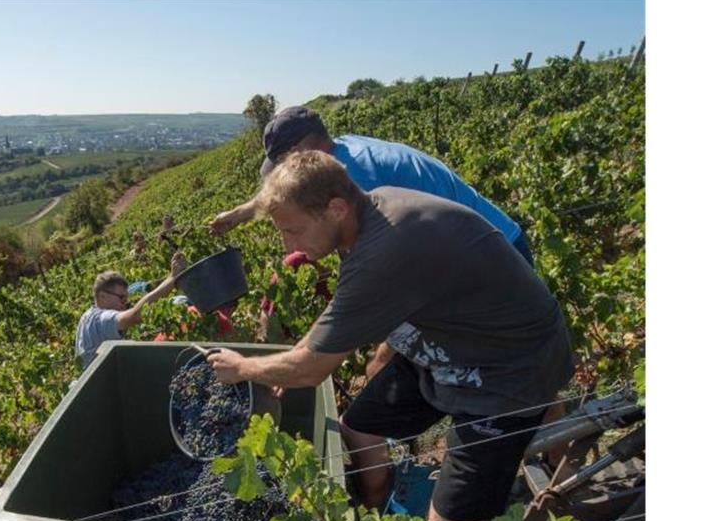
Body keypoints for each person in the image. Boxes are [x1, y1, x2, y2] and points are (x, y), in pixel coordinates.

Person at [206, 151, 573, 521]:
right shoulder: (368, 210)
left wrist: (246, 368)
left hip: (505, 371)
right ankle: (373, 512)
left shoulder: (387, 250)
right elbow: (356, 323)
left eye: (293, 230)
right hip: (444, 344)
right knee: (359, 427)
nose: (289, 246)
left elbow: (310, 369)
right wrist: (348, 364)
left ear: (335, 208)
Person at [218, 105, 536, 374]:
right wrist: (242, 212)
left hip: (493, 257)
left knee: (512, 371)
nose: (282, 175)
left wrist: (375, 350)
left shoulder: (358, 180)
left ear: (302, 153)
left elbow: (392, 278)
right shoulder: (342, 151)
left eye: (282, 165)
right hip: (483, 243)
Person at [75, 252, 186, 370]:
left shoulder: (87, 316)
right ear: (102, 296)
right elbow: (135, 315)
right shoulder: (101, 319)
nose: (125, 304)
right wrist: (172, 279)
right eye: (121, 298)